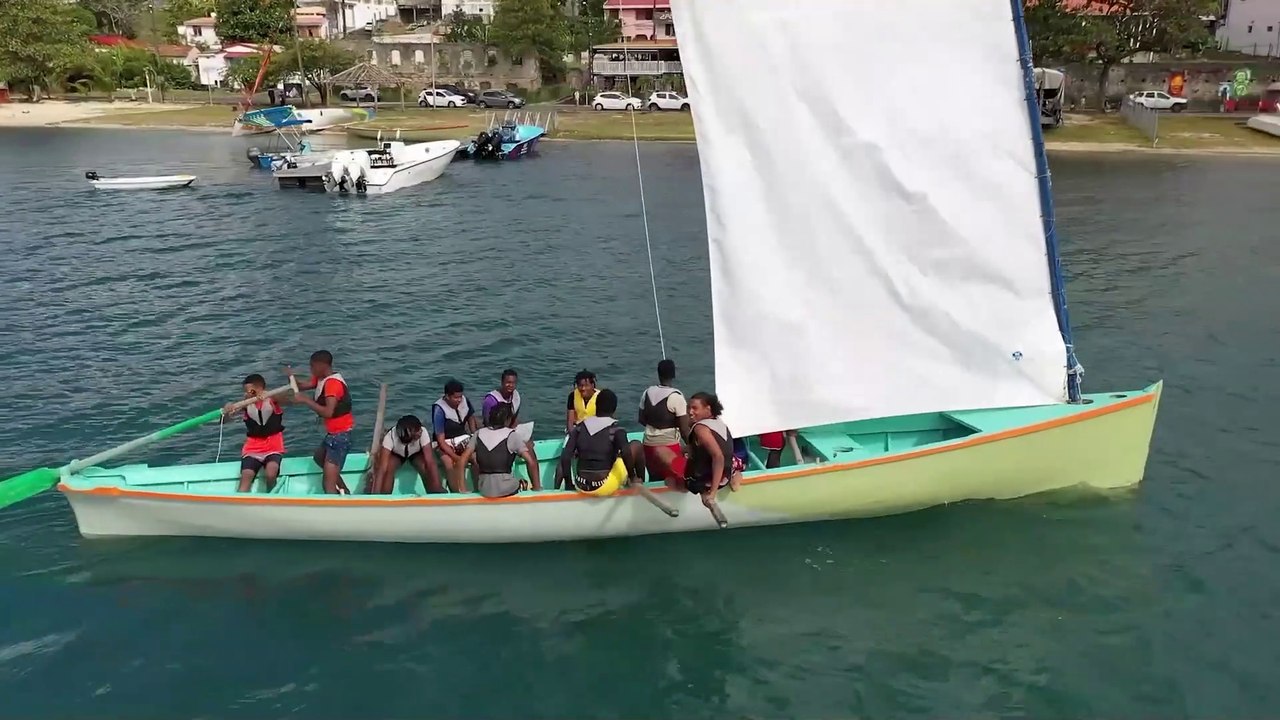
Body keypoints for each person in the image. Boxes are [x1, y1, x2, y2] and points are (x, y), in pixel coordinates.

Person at [286, 351, 354, 495]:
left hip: (340, 437)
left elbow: (328, 412)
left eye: (312, 366)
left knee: (327, 485)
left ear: (322, 365)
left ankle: (336, 507)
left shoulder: (333, 384)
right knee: (319, 458)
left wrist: (305, 400)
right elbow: (302, 386)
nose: (310, 370)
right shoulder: (321, 379)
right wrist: (291, 377)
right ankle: (344, 490)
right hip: (332, 434)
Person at [453, 403, 540, 498]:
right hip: (505, 488)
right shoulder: (511, 435)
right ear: (508, 420)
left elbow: (462, 461)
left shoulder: (478, 434)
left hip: (484, 489)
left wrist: (462, 489)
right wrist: (536, 487)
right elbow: (531, 462)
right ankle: (532, 487)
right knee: (522, 482)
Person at [559, 389, 636, 495]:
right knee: (636, 446)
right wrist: (631, 475)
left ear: (596, 405)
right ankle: (635, 481)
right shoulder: (616, 430)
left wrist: (569, 483)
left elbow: (565, 456)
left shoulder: (580, 427)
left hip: (581, 485)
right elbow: (626, 453)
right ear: (614, 409)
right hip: (603, 485)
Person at [633, 358, 692, 489]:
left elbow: (642, 419)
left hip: (648, 445)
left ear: (658, 374)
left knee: (656, 479)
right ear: (674, 375)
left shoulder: (647, 393)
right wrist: (693, 446)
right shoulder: (677, 397)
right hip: (669, 447)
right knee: (678, 477)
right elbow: (684, 429)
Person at [223, 373, 285, 493]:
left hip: (273, 445)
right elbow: (224, 421)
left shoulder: (273, 400)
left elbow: (286, 398)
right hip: (253, 448)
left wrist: (269, 394)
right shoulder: (245, 405)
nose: (247, 394)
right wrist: (227, 410)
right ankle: (241, 502)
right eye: (245, 392)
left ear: (260, 388)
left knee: (271, 473)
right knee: (246, 476)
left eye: (251, 391)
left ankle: (271, 497)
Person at [684, 392, 737, 511]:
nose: (690, 412)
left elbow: (718, 457)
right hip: (726, 476)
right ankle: (735, 476)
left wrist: (712, 493)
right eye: (689, 408)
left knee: (670, 469)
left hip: (707, 481)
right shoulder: (718, 421)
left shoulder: (700, 429)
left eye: (695, 408)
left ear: (708, 409)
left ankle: (697, 490)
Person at [372, 414, 444, 495]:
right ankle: (384, 496)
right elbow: (382, 468)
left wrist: (438, 486)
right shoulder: (390, 437)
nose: (420, 431)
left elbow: (430, 462)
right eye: (417, 430)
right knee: (389, 467)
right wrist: (375, 494)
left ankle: (434, 493)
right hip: (397, 455)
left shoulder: (423, 433)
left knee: (424, 467)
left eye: (420, 428)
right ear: (407, 432)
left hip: (416, 454)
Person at [433, 379, 480, 492]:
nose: (459, 400)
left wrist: (473, 434)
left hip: (461, 438)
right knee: (448, 463)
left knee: (476, 458)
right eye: (456, 398)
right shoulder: (439, 410)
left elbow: (470, 417)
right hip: (445, 442)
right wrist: (457, 458)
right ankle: (456, 492)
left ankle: (478, 489)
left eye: (460, 397)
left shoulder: (464, 401)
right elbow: (441, 441)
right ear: (447, 396)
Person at [565, 369, 599, 434]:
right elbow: (570, 422)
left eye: (586, 385)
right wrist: (573, 435)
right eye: (580, 385)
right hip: (577, 429)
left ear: (592, 385)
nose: (583, 388)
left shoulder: (601, 396)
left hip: (595, 430)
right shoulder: (572, 396)